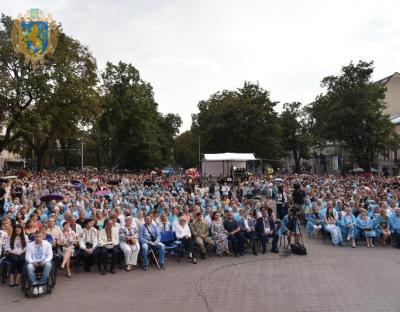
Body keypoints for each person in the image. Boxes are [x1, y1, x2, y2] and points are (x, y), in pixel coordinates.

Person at [25, 231, 53, 296]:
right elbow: (27, 256)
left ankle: (41, 284)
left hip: (43, 261)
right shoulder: (29, 245)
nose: (38, 238)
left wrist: (45, 261)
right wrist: (32, 262)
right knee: (29, 267)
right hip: (33, 262)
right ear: (34, 237)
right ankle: (34, 285)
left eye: (39, 236)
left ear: (43, 237)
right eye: (36, 236)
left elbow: (50, 256)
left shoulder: (47, 244)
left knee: (49, 265)